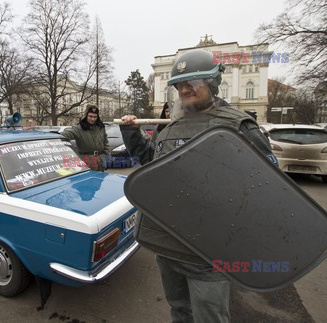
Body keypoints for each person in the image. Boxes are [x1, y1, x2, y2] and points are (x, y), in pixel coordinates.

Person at [120, 49, 276, 323]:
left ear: (212, 84)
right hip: (167, 247)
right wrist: (130, 132)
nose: (185, 89)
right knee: (180, 311)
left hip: (208, 254)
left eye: (193, 83)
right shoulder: (169, 130)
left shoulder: (238, 126)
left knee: (210, 318)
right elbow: (148, 163)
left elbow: (271, 187)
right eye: (180, 84)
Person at [61, 104, 109, 171]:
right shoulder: (79, 128)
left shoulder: (100, 127)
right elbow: (65, 135)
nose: (93, 119)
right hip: (86, 163)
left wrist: (106, 159)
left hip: (99, 162)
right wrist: (54, 136)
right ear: (86, 115)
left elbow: (106, 143)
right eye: (90, 116)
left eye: (95, 117)